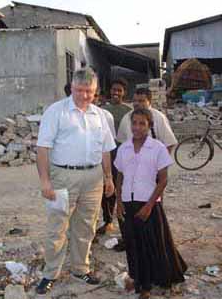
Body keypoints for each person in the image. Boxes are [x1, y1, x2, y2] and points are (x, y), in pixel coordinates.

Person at [36, 67, 116, 295]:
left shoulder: (100, 115)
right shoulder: (56, 112)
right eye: (79, 90)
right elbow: (43, 149)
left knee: (86, 226)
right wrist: (45, 181)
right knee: (57, 226)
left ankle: (80, 268)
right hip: (63, 177)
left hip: (93, 179)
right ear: (71, 87)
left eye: (89, 91)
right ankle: (50, 273)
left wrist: (108, 177)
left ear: (96, 91)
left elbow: (106, 149)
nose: (84, 96)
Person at [114, 108, 187, 299]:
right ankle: (138, 279)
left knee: (150, 244)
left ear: (149, 125)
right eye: (134, 123)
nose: (137, 127)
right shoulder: (124, 148)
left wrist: (148, 205)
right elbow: (120, 175)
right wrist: (119, 203)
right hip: (128, 204)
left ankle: (147, 286)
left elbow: (163, 180)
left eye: (142, 123)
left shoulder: (158, 148)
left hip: (149, 204)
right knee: (132, 244)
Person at [96, 78, 132, 235]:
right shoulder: (102, 110)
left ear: (124, 92)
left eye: (119, 90)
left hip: (124, 152)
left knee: (124, 187)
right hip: (106, 153)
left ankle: (125, 220)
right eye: (113, 89)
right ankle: (108, 220)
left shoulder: (128, 111)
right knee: (107, 187)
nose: (116, 93)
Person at [117, 87, 177, 153]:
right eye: (134, 101)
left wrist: (161, 161)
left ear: (149, 101)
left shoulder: (159, 117)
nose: (136, 103)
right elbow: (121, 142)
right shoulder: (126, 118)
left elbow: (169, 143)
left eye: (141, 101)